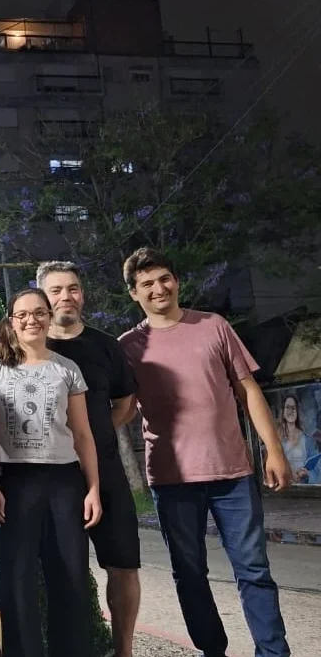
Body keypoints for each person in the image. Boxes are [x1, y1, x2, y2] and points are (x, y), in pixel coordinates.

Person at [118, 247, 293, 657]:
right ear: (134, 294)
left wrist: (274, 450)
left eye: (164, 278)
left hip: (232, 474)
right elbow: (124, 408)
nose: (158, 288)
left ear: (175, 281)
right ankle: (212, 650)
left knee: (254, 571)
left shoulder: (213, 326)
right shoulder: (128, 346)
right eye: (147, 284)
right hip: (171, 479)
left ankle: (273, 652)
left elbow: (247, 390)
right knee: (190, 574)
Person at [0, 289, 102, 657]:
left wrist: (92, 489)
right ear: (11, 320)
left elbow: (82, 434)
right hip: (15, 481)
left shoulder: (67, 369)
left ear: (49, 317)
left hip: (64, 482)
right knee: (18, 580)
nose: (32, 320)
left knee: (71, 577)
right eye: (23, 314)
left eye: (39, 313)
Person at [35, 261, 141, 657]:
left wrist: (95, 440)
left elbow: (125, 401)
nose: (67, 297)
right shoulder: (29, 346)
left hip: (107, 475)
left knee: (124, 565)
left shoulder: (105, 345)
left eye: (74, 288)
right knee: (64, 573)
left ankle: (123, 650)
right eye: (57, 289)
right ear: (43, 296)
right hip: (54, 478)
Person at [276, 395, 316, 484]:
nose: (291, 411)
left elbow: (316, 466)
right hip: (284, 488)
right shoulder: (276, 438)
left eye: (294, 408)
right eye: (288, 407)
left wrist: (307, 473)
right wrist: (289, 473)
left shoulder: (307, 438)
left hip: (304, 487)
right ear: (283, 411)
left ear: (297, 411)